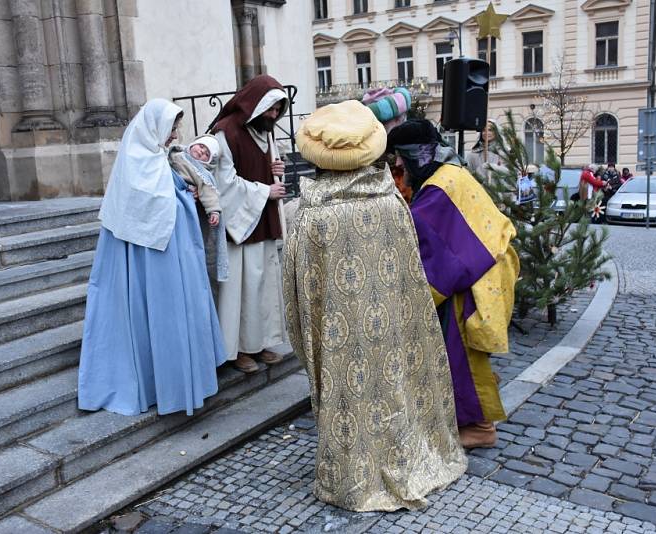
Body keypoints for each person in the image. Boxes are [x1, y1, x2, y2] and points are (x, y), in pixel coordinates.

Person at [285, 100, 466, 512]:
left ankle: (353, 474)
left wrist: (308, 338)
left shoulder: (309, 215)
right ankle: (409, 451)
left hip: (338, 335)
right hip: (394, 325)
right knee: (396, 382)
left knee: (348, 391)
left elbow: (297, 291)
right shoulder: (391, 202)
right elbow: (411, 277)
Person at [78, 99, 227, 416]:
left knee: (175, 314)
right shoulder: (135, 161)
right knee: (160, 316)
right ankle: (160, 385)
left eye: (175, 129)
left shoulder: (160, 158)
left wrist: (188, 194)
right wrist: (184, 198)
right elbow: (145, 211)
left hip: (174, 252)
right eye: (171, 128)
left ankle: (178, 380)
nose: (175, 135)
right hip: (152, 257)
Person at [387, 119, 519, 449]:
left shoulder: (436, 191)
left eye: (401, 156)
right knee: (460, 356)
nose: (398, 165)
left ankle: (479, 427)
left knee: (458, 356)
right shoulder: (450, 174)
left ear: (418, 154)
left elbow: (433, 255)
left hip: (472, 281)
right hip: (484, 270)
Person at [210, 75, 289, 373]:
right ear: (255, 105)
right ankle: (237, 350)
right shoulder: (225, 133)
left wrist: (276, 169)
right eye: (271, 109)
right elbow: (222, 183)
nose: (274, 116)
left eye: (278, 110)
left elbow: (263, 167)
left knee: (262, 285)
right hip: (239, 226)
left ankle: (259, 343)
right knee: (239, 290)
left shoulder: (265, 132)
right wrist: (264, 191)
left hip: (262, 220)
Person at [169, 134, 228, 284]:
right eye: (201, 146)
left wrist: (214, 210)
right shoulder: (174, 154)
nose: (201, 152)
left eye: (206, 154)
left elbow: (208, 191)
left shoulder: (201, 173)